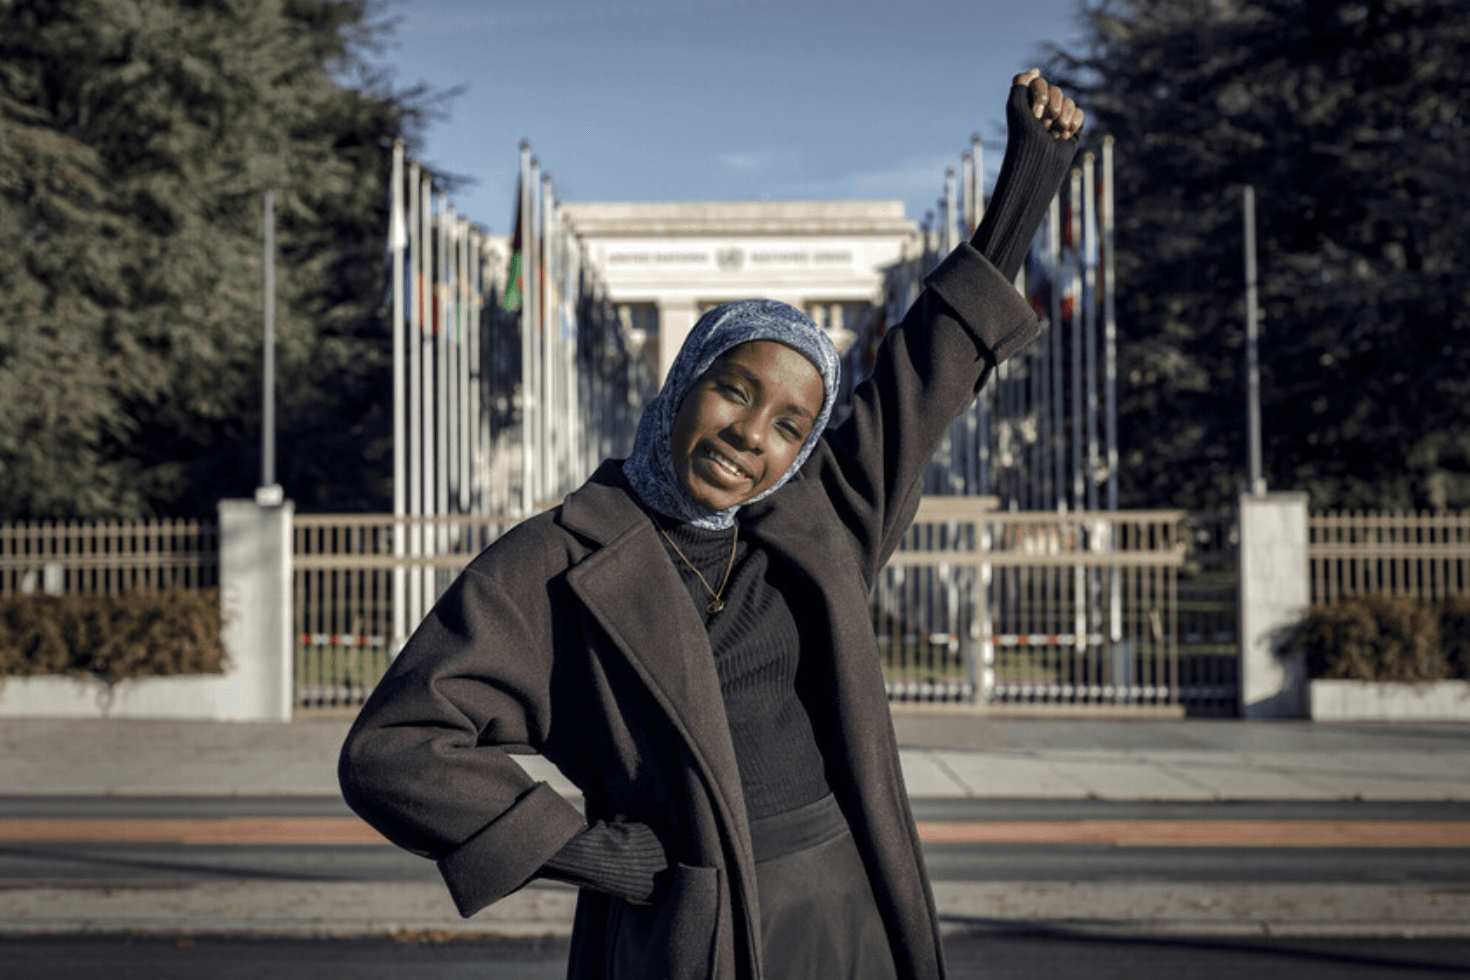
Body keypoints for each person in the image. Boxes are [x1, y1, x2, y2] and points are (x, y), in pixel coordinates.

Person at [340, 69, 1084, 980]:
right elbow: (394, 749)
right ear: (683, 381)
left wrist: (1031, 174)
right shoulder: (556, 558)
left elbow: (927, 373)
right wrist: (585, 851)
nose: (750, 436)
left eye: (789, 426)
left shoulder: (820, 525)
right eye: (734, 389)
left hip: (845, 895)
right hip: (690, 925)